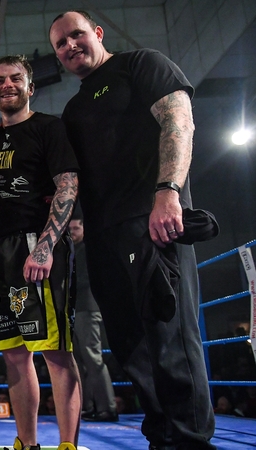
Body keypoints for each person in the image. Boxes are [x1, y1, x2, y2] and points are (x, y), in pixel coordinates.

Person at [50, 10, 216, 449]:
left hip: (155, 223)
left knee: (171, 339)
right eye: (60, 44)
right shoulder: (74, 108)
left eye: (77, 35)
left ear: (98, 33)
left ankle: (190, 441)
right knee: (131, 346)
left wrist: (168, 190)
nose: (70, 46)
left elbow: (179, 119)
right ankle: (162, 436)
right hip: (104, 240)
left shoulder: (142, 64)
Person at [0, 55, 80, 450]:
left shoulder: (48, 127)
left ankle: (68, 445)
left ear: (30, 87)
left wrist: (45, 246)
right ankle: (27, 443)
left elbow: (67, 185)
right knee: (15, 356)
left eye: (15, 78)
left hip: (35, 246)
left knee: (55, 351)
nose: (7, 85)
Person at [68, 214, 118, 423]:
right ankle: (87, 406)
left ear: (84, 228)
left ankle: (108, 407)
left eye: (75, 229)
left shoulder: (89, 250)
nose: (71, 233)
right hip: (76, 307)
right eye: (69, 229)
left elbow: (86, 280)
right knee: (79, 359)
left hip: (87, 306)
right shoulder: (73, 250)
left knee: (92, 357)